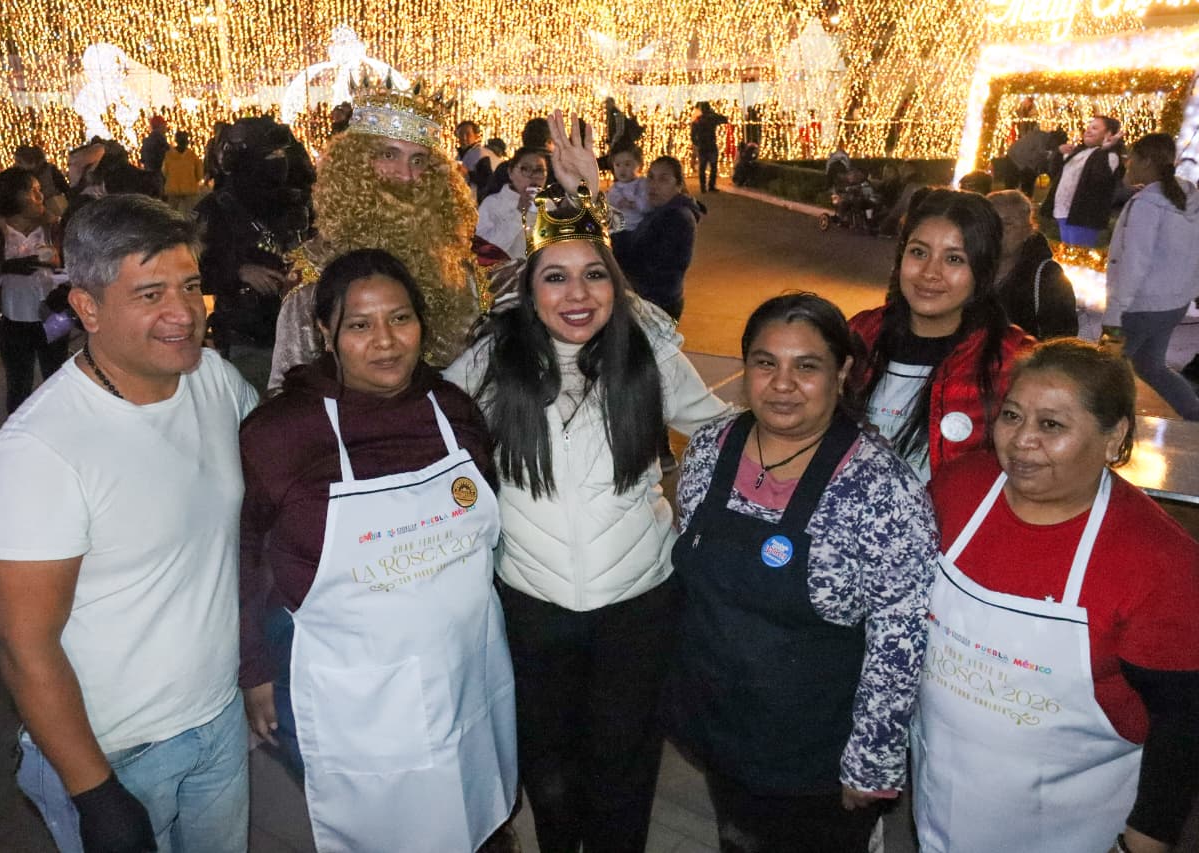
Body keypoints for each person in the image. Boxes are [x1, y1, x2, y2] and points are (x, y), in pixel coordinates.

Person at [445, 111, 728, 853]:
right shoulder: (489, 364)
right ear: (526, 288)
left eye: (595, 274)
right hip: (532, 608)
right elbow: (422, 426)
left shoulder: (646, 357)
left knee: (624, 771)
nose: (578, 293)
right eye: (556, 276)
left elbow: (723, 430)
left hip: (638, 608)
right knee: (551, 771)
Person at [0, 195, 258, 853]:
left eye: (190, 286)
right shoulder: (37, 452)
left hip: (217, 720)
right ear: (87, 307)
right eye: (151, 292)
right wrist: (94, 790)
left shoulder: (212, 381)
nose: (183, 313)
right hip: (115, 749)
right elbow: (24, 645)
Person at [239, 249, 517, 851]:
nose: (385, 342)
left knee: (476, 816)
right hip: (353, 692)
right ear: (326, 333)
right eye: (360, 325)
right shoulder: (281, 433)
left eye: (400, 319)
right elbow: (244, 555)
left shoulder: (454, 411)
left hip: (466, 669)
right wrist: (255, 669)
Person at [665, 293, 938, 852]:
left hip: (818, 762)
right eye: (766, 362)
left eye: (806, 366)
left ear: (842, 373)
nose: (782, 383)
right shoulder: (711, 449)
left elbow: (901, 639)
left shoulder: (882, 489)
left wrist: (872, 760)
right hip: (722, 732)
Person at [915, 339, 1199, 853]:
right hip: (941, 796)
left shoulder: (1160, 562)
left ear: (1114, 438)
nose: (1022, 441)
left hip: (1074, 828)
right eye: (1013, 416)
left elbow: (1183, 723)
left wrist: (1145, 840)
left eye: (1052, 425)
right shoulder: (958, 491)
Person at [270, 76, 480, 389]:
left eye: (418, 160)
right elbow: (286, 392)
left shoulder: (457, 266)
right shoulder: (316, 270)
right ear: (355, 164)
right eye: (389, 155)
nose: (406, 176)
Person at [851, 188, 1032, 481]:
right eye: (919, 252)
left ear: (983, 269)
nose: (930, 272)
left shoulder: (1013, 358)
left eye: (954, 259)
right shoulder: (861, 333)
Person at [195, 115, 314, 389]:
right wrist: (238, 272)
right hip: (248, 340)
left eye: (280, 153)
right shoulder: (215, 210)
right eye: (269, 154)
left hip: (307, 336)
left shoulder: (302, 205)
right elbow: (189, 271)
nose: (277, 161)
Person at [1101, 132, 1199, 421]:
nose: (1127, 164)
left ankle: (1101, 428)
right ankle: (1194, 413)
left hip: (1139, 306)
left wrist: (1115, 310)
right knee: (1151, 365)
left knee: (1104, 371)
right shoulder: (1189, 199)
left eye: (1131, 157)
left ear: (1145, 161)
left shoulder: (1146, 204)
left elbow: (1134, 261)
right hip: (1172, 303)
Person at [0, 167, 66, 413]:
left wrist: (57, 268)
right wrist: (5, 268)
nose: (41, 196)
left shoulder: (52, 226)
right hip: (13, 321)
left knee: (58, 379)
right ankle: (20, 439)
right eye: (33, 191)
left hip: (54, 314)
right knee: (19, 384)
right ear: (13, 195)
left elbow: (71, 269)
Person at [612, 155, 703, 322]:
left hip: (656, 306)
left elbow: (650, 264)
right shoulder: (659, 211)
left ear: (678, 185)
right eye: (651, 177)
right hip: (649, 301)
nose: (653, 185)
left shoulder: (677, 217)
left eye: (663, 179)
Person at [987, 189, 1078, 339]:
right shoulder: (969, 271)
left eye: (1007, 223)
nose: (997, 230)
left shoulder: (1047, 276)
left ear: (1028, 229)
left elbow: (1061, 338)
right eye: (991, 222)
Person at [1040, 115, 1124, 247]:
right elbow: (1056, 173)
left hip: (1083, 217)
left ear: (1108, 134)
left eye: (1095, 128)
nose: (1088, 130)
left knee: (1079, 254)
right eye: (1088, 127)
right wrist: (1058, 153)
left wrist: (1104, 149)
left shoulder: (1109, 156)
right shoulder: (1079, 152)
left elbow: (1099, 180)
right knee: (1068, 253)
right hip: (1063, 212)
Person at [475, 147, 547, 261]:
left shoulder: (549, 205)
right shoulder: (493, 204)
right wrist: (518, 212)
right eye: (526, 169)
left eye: (539, 170)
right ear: (511, 172)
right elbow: (484, 250)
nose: (533, 176)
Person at [161, 130, 204, 215]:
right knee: (189, 215)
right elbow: (199, 174)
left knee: (172, 215)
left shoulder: (168, 155)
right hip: (190, 190)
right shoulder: (193, 156)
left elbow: (164, 172)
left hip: (173, 189)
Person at [606, 146, 649, 232]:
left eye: (627, 164)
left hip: (639, 226)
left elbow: (647, 204)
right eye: (617, 165)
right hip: (618, 228)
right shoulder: (614, 188)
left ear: (639, 166)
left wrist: (634, 204)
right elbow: (610, 202)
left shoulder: (643, 183)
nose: (622, 169)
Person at [691, 101, 729, 193]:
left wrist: (697, 143)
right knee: (713, 166)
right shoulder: (712, 118)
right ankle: (711, 186)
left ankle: (703, 187)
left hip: (702, 146)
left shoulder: (698, 120)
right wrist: (713, 112)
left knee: (702, 168)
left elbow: (692, 134)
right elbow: (725, 119)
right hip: (711, 145)